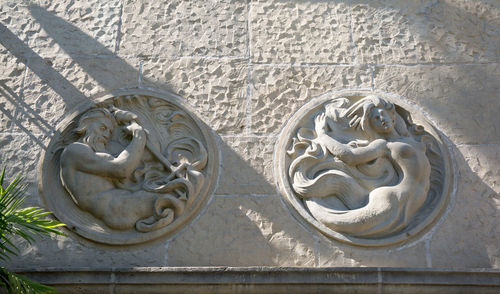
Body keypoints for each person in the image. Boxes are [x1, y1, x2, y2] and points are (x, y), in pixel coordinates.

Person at [291, 96, 431, 237]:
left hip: (413, 199)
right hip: (393, 199)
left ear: (392, 115)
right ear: (370, 124)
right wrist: (322, 135)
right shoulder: (383, 145)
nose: (381, 119)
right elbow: (350, 156)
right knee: (339, 221)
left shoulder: (404, 136)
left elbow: (394, 117)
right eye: (375, 119)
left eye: (383, 115)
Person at [60, 108, 184, 232]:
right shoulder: (74, 151)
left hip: (123, 202)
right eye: (102, 128)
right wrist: (138, 136)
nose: (106, 135)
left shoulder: (96, 155)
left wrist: (135, 121)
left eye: (109, 132)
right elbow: (122, 169)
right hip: (119, 209)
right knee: (175, 199)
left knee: (174, 195)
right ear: (86, 125)